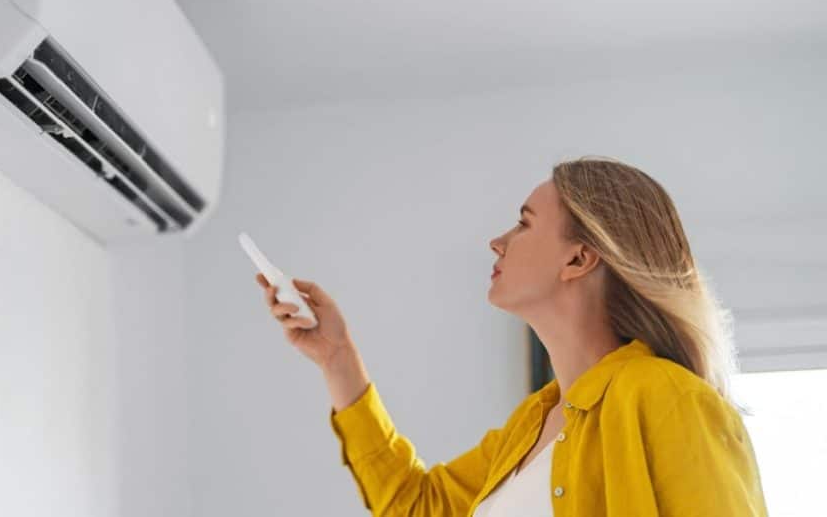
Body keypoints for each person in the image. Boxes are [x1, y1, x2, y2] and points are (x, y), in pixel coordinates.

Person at [254, 156, 768, 517]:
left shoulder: (666, 397)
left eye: (523, 224)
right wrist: (338, 358)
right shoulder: (533, 424)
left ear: (579, 257)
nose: (497, 242)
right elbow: (417, 506)